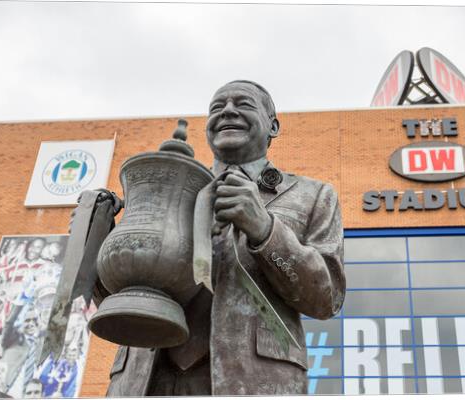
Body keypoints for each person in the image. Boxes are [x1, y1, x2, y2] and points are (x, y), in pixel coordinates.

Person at [98, 80, 345, 396]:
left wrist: (265, 230)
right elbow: (118, 306)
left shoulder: (313, 196)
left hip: (253, 381)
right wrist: (100, 243)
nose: (228, 111)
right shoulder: (170, 191)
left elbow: (327, 299)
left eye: (243, 104)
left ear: (273, 126)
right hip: (146, 381)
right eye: (217, 107)